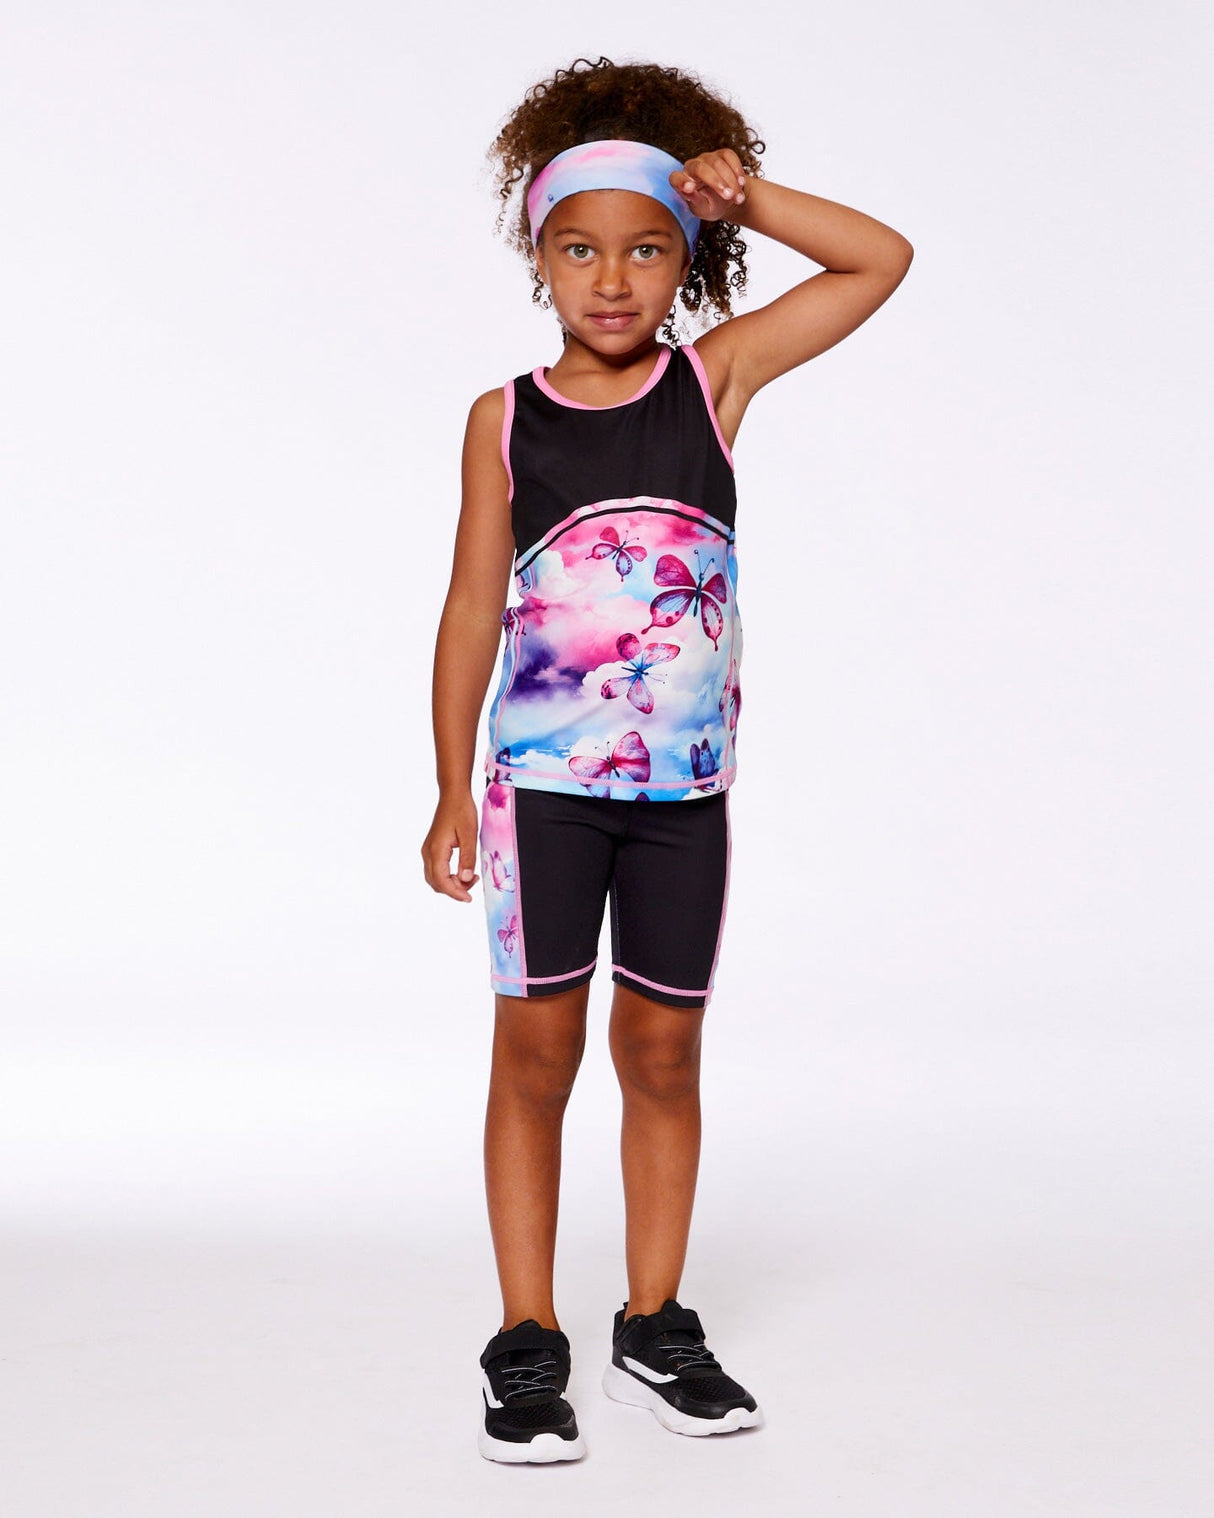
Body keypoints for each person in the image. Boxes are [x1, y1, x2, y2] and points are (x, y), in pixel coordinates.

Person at [421, 56, 913, 1463]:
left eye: (647, 248)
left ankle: (653, 1319)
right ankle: (526, 1336)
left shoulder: (713, 381)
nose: (613, 278)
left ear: (686, 260)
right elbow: (471, 604)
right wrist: (449, 785)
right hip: (543, 797)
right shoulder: (503, 419)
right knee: (538, 1053)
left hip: (683, 797)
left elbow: (878, 260)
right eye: (580, 249)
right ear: (539, 258)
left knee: (662, 1049)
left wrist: (744, 196)